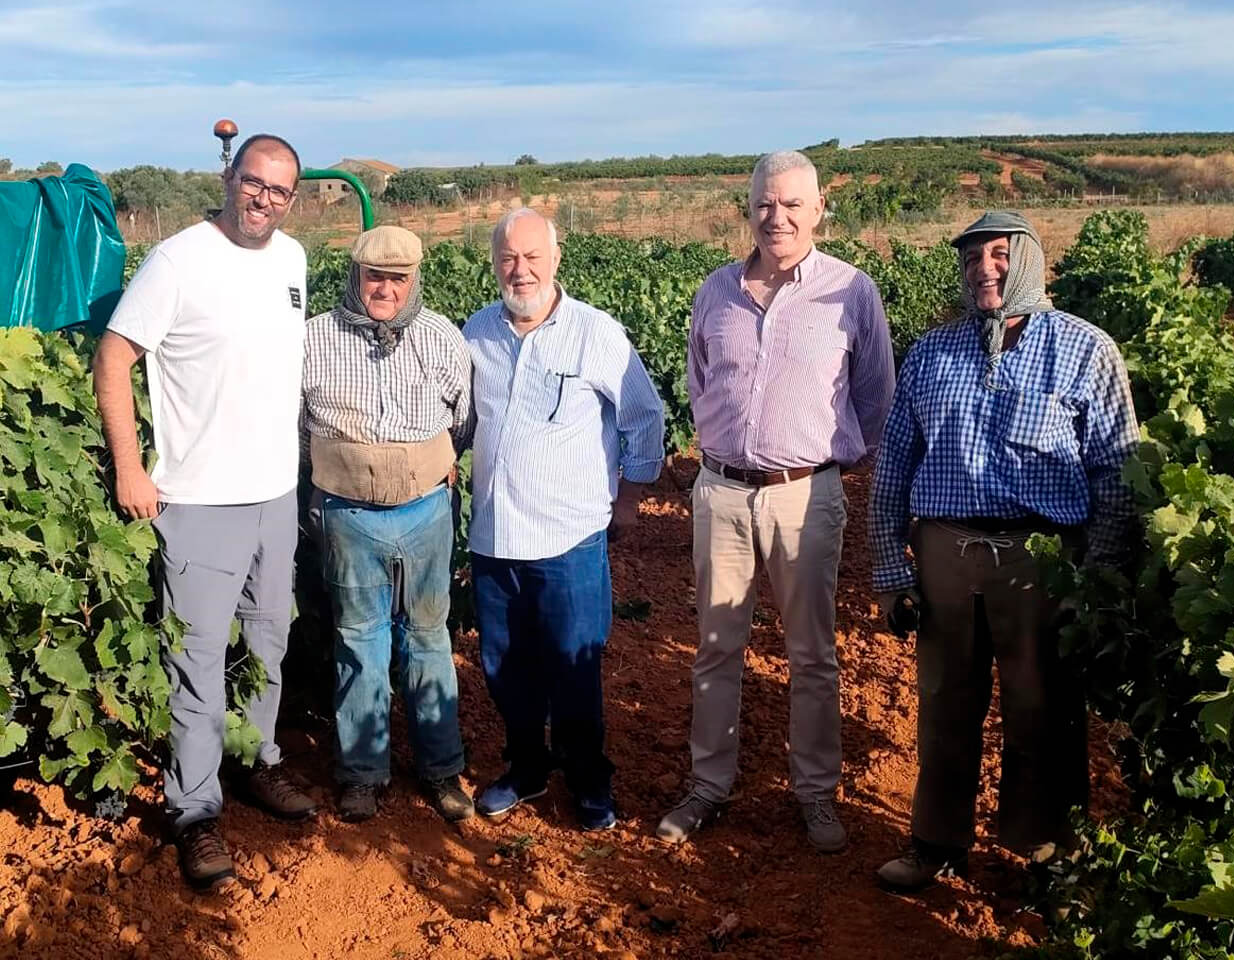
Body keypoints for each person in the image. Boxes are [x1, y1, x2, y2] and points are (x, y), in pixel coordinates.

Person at [868, 210, 1140, 892]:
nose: (982, 269)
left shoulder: (1085, 349)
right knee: (943, 705)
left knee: (1041, 712)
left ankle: (1042, 860)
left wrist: (1100, 575)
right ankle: (936, 845)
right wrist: (889, 565)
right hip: (946, 552)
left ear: (1028, 263)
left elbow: (1117, 471)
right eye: (970, 259)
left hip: (1042, 561)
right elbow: (896, 460)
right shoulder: (932, 352)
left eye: (998, 255)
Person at [656, 150, 897, 854]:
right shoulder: (716, 291)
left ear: (820, 210)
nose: (778, 216)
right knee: (715, 647)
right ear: (749, 208)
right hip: (721, 492)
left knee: (812, 654)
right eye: (766, 203)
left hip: (805, 495)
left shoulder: (851, 292)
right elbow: (703, 380)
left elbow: (876, 397)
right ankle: (708, 787)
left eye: (793, 204)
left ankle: (816, 794)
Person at [93, 134, 316, 891]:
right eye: (252, 182)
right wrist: (130, 465)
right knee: (197, 667)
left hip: (276, 496)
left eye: (279, 190)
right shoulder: (179, 260)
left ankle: (258, 762)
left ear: (294, 199)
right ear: (230, 178)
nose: (263, 198)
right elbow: (114, 354)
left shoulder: (292, 262)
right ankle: (194, 812)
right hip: (199, 500)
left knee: (268, 643)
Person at [464, 207, 664, 832]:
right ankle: (525, 769)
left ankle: (588, 781)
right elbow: (461, 421)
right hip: (494, 536)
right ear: (494, 263)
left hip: (568, 537)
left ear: (556, 260)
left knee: (574, 665)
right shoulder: (477, 332)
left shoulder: (595, 333)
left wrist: (628, 502)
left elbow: (645, 418)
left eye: (531, 258)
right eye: (507, 259)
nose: (519, 271)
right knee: (503, 666)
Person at [300, 225, 474, 825]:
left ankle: (441, 769)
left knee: (428, 636)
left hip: (426, 511)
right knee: (359, 640)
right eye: (375, 276)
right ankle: (363, 774)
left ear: (413, 281)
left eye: (398, 279)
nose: (386, 289)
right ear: (355, 275)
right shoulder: (315, 340)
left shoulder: (440, 338)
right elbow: (296, 426)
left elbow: (463, 419)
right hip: (347, 516)